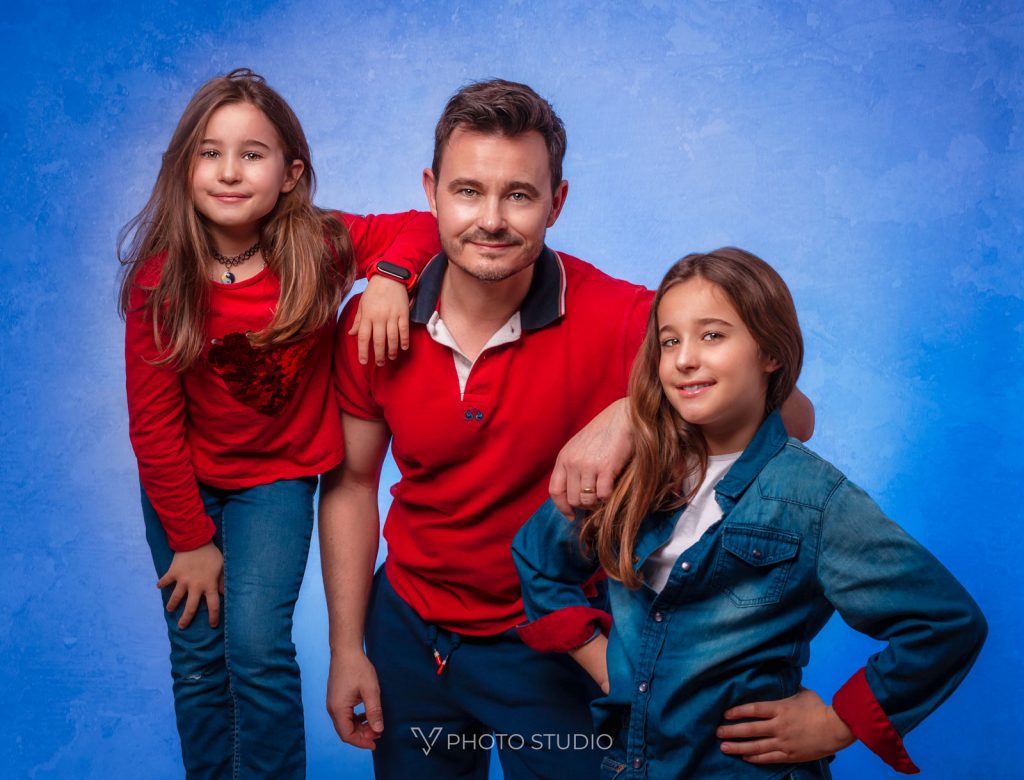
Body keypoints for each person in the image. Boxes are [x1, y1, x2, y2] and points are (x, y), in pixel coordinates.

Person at [320, 80, 812, 779]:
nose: (490, 219)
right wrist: (347, 648)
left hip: (549, 643)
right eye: (468, 191)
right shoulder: (375, 323)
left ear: (558, 200)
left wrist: (639, 410)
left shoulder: (621, 315)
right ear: (430, 192)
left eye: (519, 194)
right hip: (408, 638)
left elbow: (793, 416)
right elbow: (352, 482)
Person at [512, 248, 987, 779]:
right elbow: (538, 558)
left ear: (770, 352)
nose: (685, 359)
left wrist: (837, 722)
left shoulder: (815, 498)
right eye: (670, 341)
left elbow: (944, 622)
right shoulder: (633, 469)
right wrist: (607, 665)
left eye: (712, 335)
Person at [119, 68, 438, 779]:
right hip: (183, 485)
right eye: (210, 152)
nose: (230, 172)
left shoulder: (318, 247)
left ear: (291, 172)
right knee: (200, 656)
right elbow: (153, 427)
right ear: (184, 166)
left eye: (252, 154)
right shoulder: (162, 278)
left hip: (276, 481)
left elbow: (421, 225)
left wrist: (388, 277)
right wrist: (191, 540)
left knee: (258, 648)